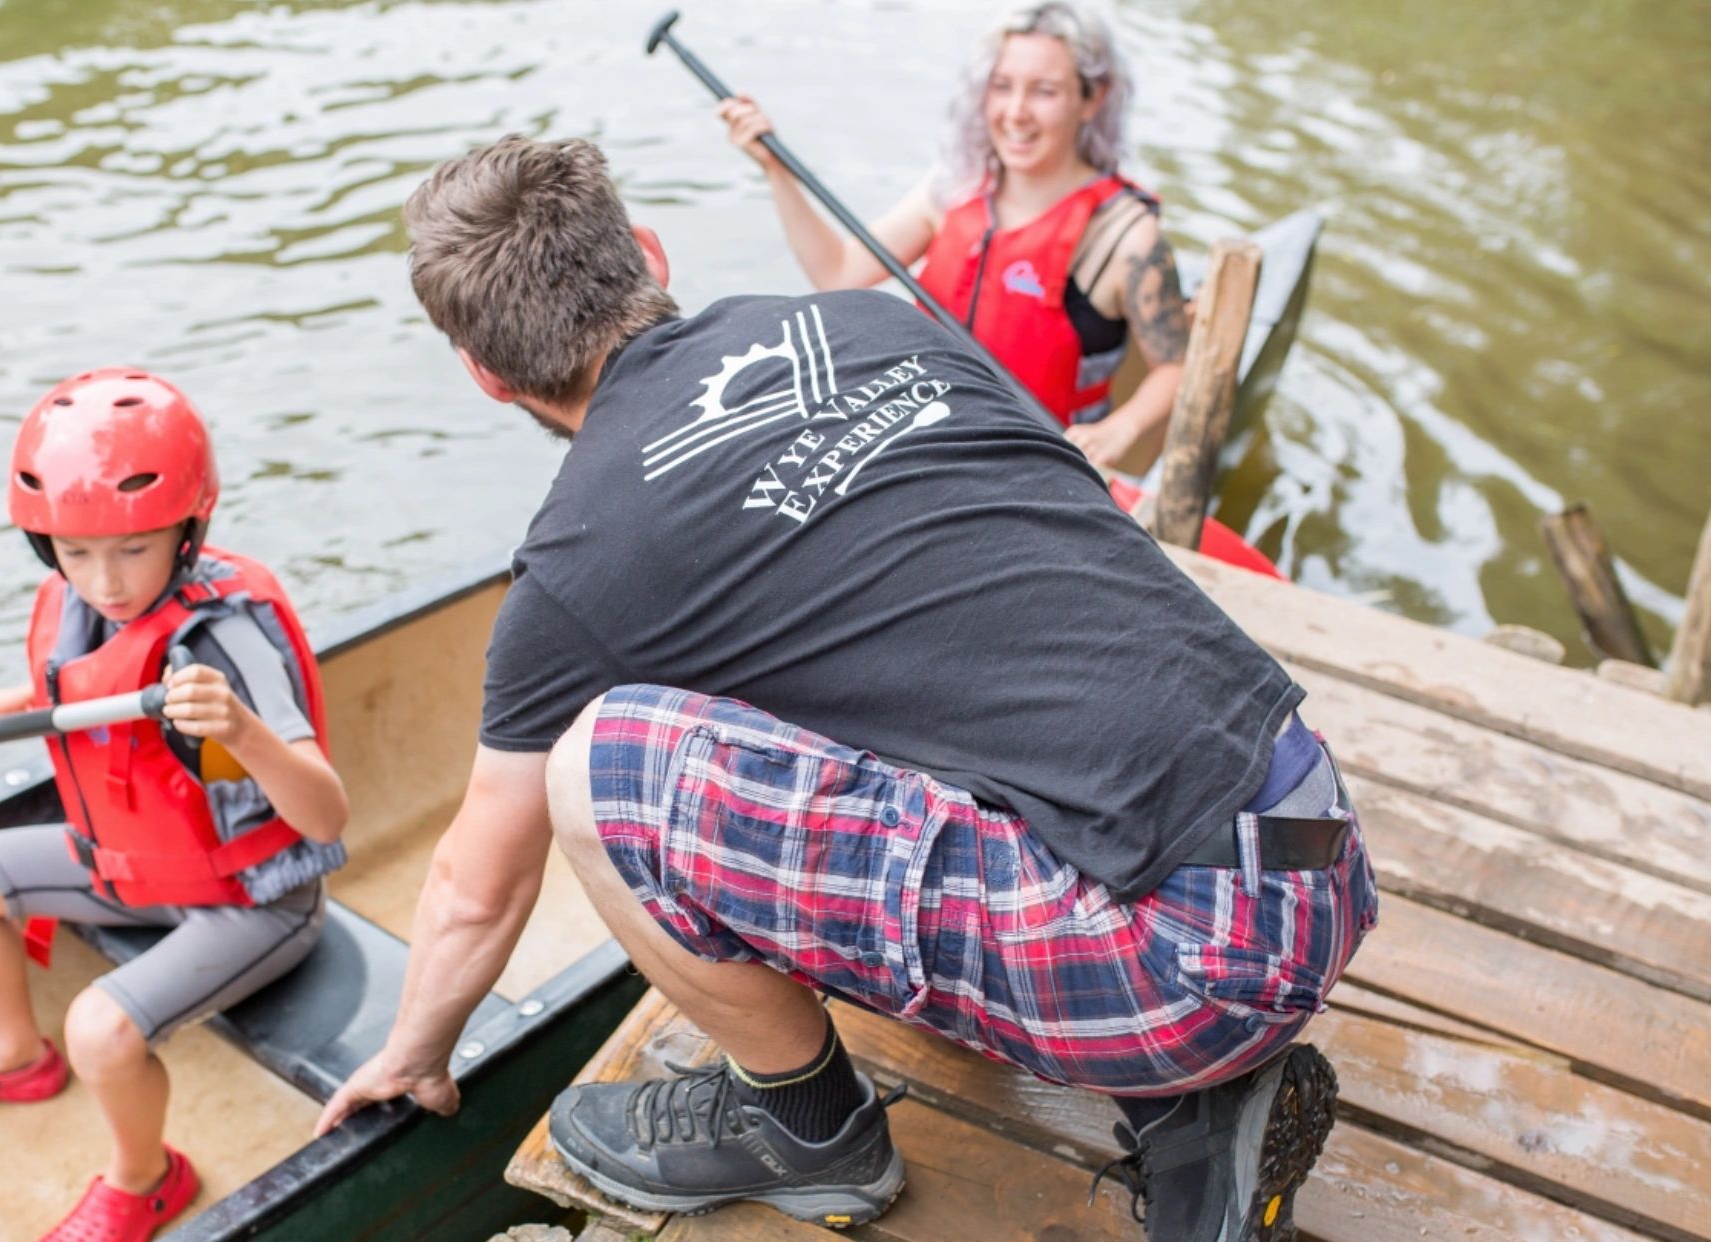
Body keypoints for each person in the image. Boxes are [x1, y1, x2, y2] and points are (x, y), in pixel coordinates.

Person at [314, 134, 1377, 1242]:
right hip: (1315, 844)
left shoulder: (579, 559)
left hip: (1185, 963)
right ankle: (1189, 1104)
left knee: (594, 767)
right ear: (647, 252)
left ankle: (808, 1124)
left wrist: (415, 1058)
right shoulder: (879, 323)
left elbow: (480, 889)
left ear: (485, 375)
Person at [0, 368, 350, 1242]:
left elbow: (324, 816)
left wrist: (244, 732)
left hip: (255, 899)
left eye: (133, 549)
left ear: (190, 526)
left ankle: (148, 1178)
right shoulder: (75, 597)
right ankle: (11, 1055)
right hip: (131, 863)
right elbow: (88, 682)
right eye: (75, 551)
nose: (106, 581)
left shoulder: (228, 635)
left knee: (102, 1031)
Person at [717, 1, 1187, 471]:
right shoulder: (952, 190)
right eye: (1001, 87)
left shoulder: (1123, 238)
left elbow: (1178, 366)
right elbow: (838, 273)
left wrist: (1119, 429)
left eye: (1044, 92)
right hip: (927, 439)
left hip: (1037, 463)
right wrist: (775, 171)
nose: (1016, 113)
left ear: (1093, 98)